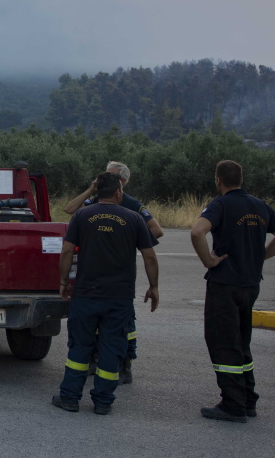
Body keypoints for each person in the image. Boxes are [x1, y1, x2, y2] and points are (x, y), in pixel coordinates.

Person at [190, 160, 275, 423]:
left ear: (218, 180)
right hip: (251, 284)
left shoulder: (220, 205)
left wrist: (209, 261)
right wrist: (259, 256)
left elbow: (197, 232)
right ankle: (248, 399)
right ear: (241, 179)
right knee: (241, 341)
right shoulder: (260, 205)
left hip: (225, 284)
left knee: (223, 343)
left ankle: (233, 405)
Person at [53, 172, 160, 415]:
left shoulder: (82, 215)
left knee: (80, 346)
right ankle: (103, 402)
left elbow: (67, 251)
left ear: (97, 192)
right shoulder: (133, 218)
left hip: (86, 294)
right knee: (112, 348)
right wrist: (153, 287)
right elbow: (150, 255)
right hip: (119, 297)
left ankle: (69, 398)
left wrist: (63, 281)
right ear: (118, 192)